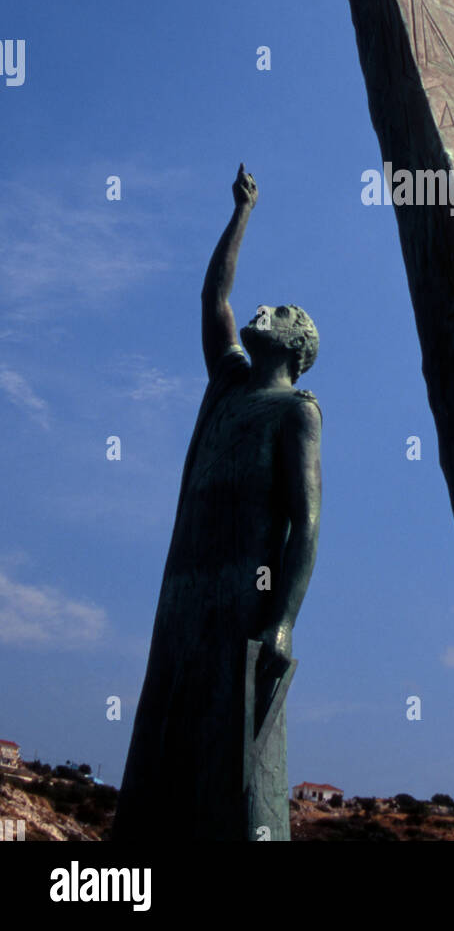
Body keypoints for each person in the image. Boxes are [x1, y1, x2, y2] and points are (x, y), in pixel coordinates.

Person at [112, 164, 321, 841]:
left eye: (278, 313)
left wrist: (284, 619)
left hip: (242, 597)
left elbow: (307, 523)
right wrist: (242, 214)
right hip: (182, 593)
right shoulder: (230, 382)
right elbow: (214, 298)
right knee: (162, 734)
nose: (261, 311)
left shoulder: (296, 411)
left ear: (296, 345)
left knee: (227, 753)